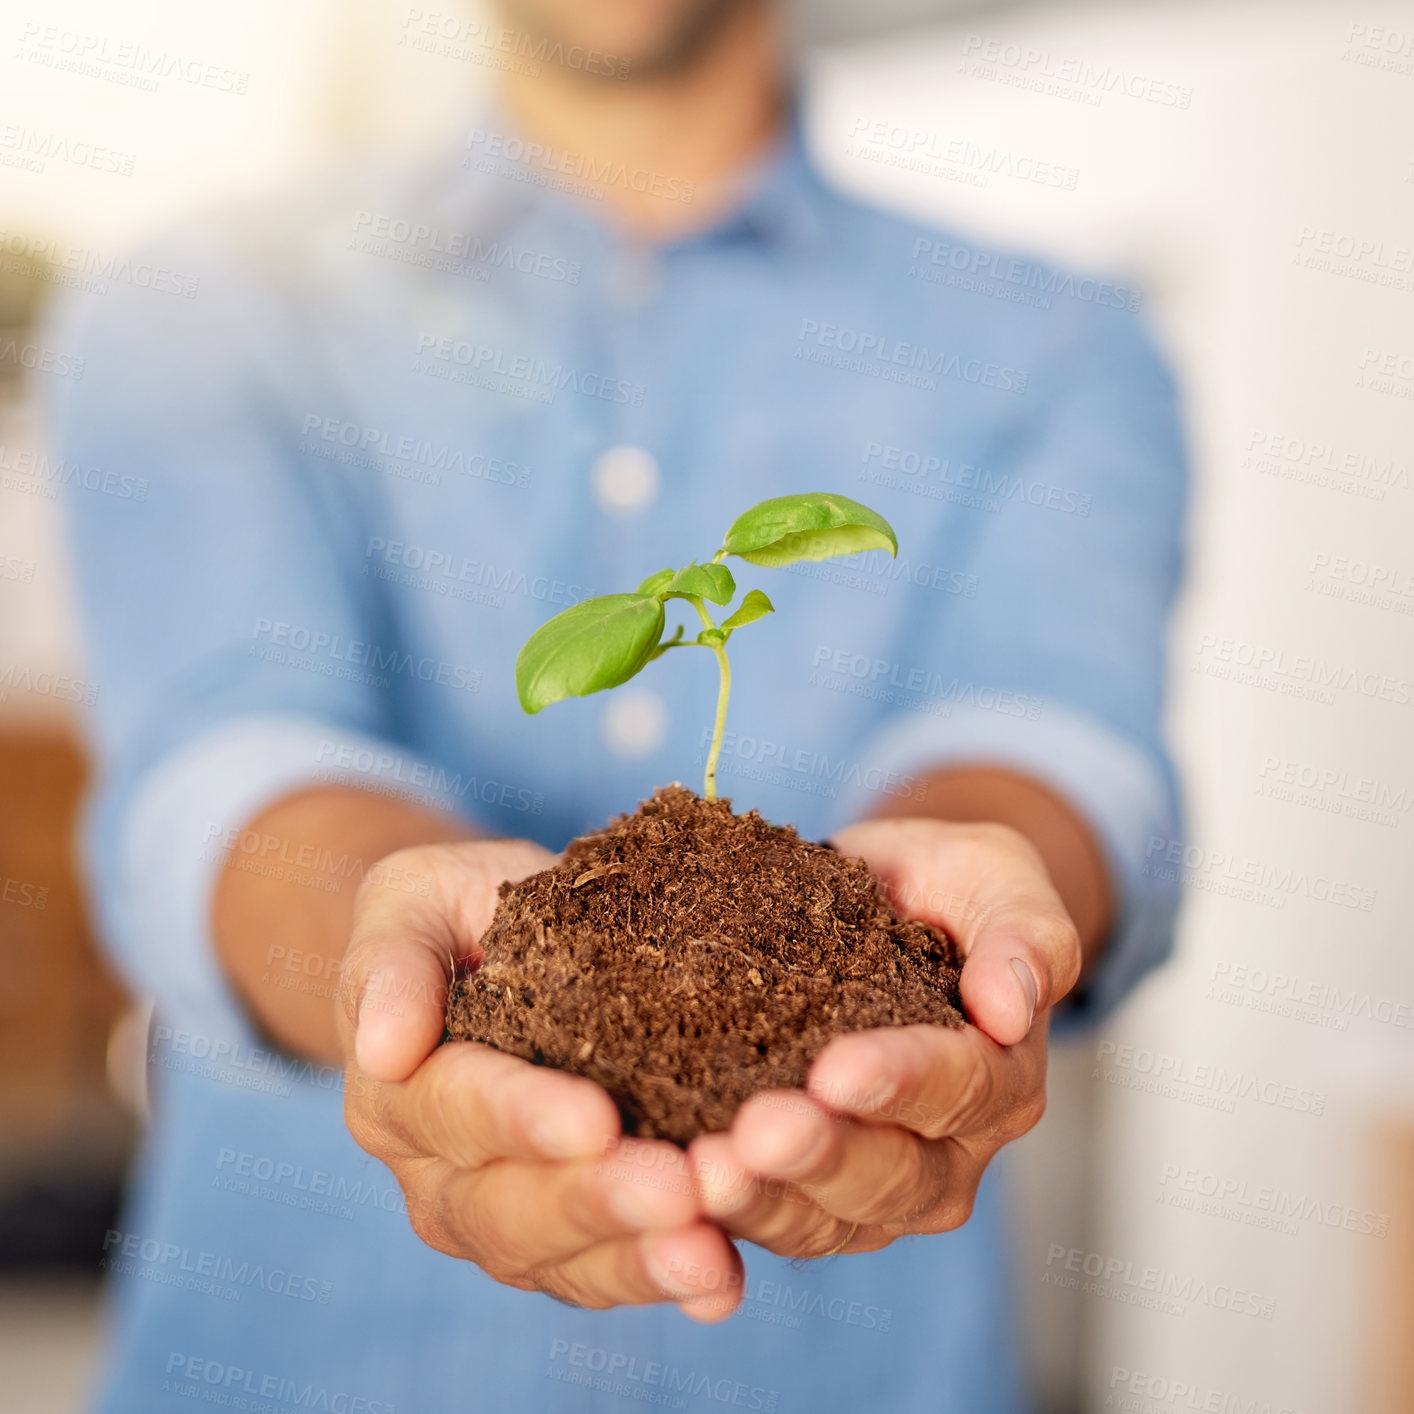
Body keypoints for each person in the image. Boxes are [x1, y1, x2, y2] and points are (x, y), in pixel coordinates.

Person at [47, 0, 1186, 1409]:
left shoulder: (1059, 346)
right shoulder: (199, 306)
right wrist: (391, 944)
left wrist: (966, 914)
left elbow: (1047, 728)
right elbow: (220, 750)